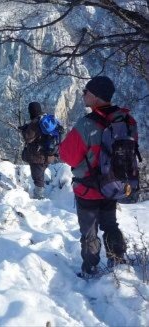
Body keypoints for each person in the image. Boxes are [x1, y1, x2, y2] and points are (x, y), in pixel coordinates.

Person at [59, 76, 136, 276]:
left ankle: (90, 268)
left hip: (89, 189)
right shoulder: (127, 120)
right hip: (113, 186)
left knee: (89, 231)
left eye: (86, 92)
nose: (83, 94)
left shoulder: (87, 124)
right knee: (110, 224)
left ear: (95, 96)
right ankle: (118, 260)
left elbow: (67, 155)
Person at [19, 102, 57, 199]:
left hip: (37, 156)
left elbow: (28, 138)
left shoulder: (35, 123)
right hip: (49, 154)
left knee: (37, 177)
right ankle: (42, 190)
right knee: (41, 172)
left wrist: (24, 130)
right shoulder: (47, 119)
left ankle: (39, 198)